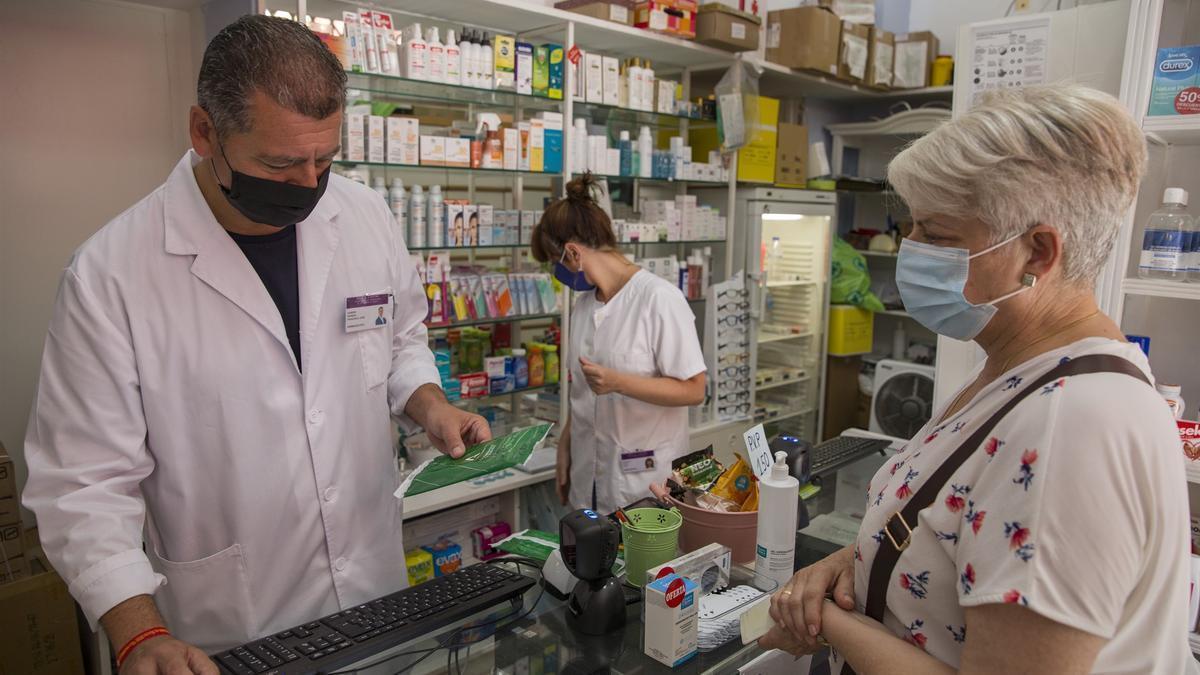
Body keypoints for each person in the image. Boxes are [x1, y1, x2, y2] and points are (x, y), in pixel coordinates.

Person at [21, 15, 489, 673]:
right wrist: (137, 632)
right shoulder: (110, 275)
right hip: (234, 627)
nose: (308, 184)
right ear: (204, 131)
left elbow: (402, 334)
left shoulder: (364, 216)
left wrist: (429, 402)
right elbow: (82, 484)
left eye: (324, 159)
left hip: (376, 600)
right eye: (280, 162)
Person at [760, 85, 1196, 674]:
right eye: (910, 227)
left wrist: (824, 620)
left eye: (938, 236)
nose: (910, 250)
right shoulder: (1017, 367)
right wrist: (854, 562)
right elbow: (955, 531)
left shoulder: (1071, 423)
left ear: (1037, 253)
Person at [530, 174, 706, 515]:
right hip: (588, 475)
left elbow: (694, 390)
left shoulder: (658, 298)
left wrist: (619, 383)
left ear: (573, 252)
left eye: (557, 263)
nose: (559, 273)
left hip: (644, 479)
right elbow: (584, 393)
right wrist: (565, 445)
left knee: (643, 565)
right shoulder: (584, 306)